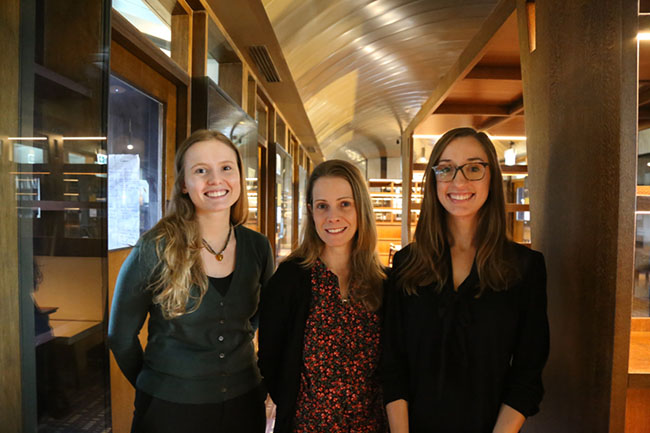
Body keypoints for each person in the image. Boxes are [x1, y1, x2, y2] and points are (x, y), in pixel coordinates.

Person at [382, 127, 549, 433]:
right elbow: (392, 366)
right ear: (434, 180)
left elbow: (527, 374)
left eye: (473, 168)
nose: (458, 181)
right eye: (446, 169)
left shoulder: (526, 268)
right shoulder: (406, 263)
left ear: (491, 178)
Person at [108, 129, 273, 433]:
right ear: (184, 184)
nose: (216, 180)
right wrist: (156, 385)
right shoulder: (154, 248)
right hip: (169, 411)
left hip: (244, 404)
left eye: (226, 168)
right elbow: (119, 337)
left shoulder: (258, 247)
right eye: (201, 171)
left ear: (239, 177)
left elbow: (263, 318)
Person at [258, 160, 388, 433]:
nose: (333, 217)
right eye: (322, 206)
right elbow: (270, 359)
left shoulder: (384, 283)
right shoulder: (290, 279)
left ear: (361, 208)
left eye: (344, 204)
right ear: (310, 211)